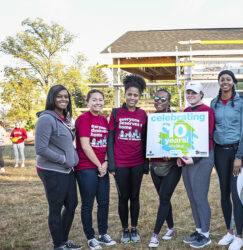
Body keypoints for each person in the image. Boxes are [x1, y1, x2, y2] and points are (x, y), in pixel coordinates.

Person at [35, 84, 81, 250]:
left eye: (66, 96)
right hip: (52, 170)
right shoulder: (46, 119)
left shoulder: (66, 119)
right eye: (59, 96)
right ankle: (58, 245)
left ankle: (63, 240)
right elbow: (40, 149)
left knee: (72, 204)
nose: (64, 99)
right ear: (52, 98)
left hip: (67, 170)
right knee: (56, 207)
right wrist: (63, 159)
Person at [211, 70, 243, 250]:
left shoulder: (242, 102)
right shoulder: (214, 103)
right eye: (222, 80)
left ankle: (240, 237)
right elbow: (211, 129)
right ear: (219, 82)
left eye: (228, 79)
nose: (225, 82)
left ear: (233, 82)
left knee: (236, 193)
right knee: (224, 192)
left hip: (237, 151)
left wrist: (239, 156)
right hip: (220, 152)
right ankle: (229, 232)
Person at [107, 74, 148, 244]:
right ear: (125, 95)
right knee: (123, 196)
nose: (132, 98)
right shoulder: (116, 113)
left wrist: (146, 163)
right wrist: (112, 163)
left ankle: (134, 228)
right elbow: (110, 140)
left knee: (135, 195)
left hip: (137, 162)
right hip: (121, 163)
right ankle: (125, 229)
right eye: (129, 94)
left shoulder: (143, 114)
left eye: (136, 95)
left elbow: (146, 140)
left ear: (139, 97)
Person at [75, 89, 116, 249]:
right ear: (88, 102)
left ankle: (103, 234)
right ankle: (91, 237)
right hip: (86, 167)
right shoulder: (83, 119)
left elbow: (107, 143)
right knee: (88, 203)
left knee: (104, 202)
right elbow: (85, 146)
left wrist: (105, 161)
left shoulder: (104, 120)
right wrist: (99, 165)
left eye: (100, 100)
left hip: (102, 166)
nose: (98, 102)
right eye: (94, 100)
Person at [177, 82, 215, 248]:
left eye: (194, 92)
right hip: (188, 157)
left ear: (201, 94)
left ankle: (206, 234)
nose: (190, 95)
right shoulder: (186, 111)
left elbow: (208, 137)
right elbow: (184, 136)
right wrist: (180, 156)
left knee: (200, 196)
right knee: (192, 196)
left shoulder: (207, 111)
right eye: (188, 92)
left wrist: (196, 159)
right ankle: (199, 229)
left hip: (202, 157)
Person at [148, 89, 182, 248]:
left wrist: (174, 153)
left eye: (163, 99)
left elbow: (182, 141)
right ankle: (171, 228)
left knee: (164, 197)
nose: (159, 101)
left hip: (172, 165)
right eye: (156, 98)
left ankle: (155, 235)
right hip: (155, 164)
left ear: (169, 101)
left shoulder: (176, 117)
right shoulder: (151, 118)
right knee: (164, 198)